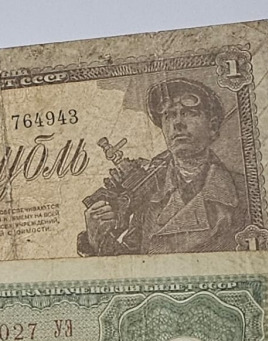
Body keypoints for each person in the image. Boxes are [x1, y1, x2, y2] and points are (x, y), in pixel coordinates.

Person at [79, 78, 249, 256]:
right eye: (169, 116)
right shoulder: (150, 193)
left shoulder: (242, 193)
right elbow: (131, 262)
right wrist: (96, 238)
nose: (178, 123)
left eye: (189, 113)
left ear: (212, 128)